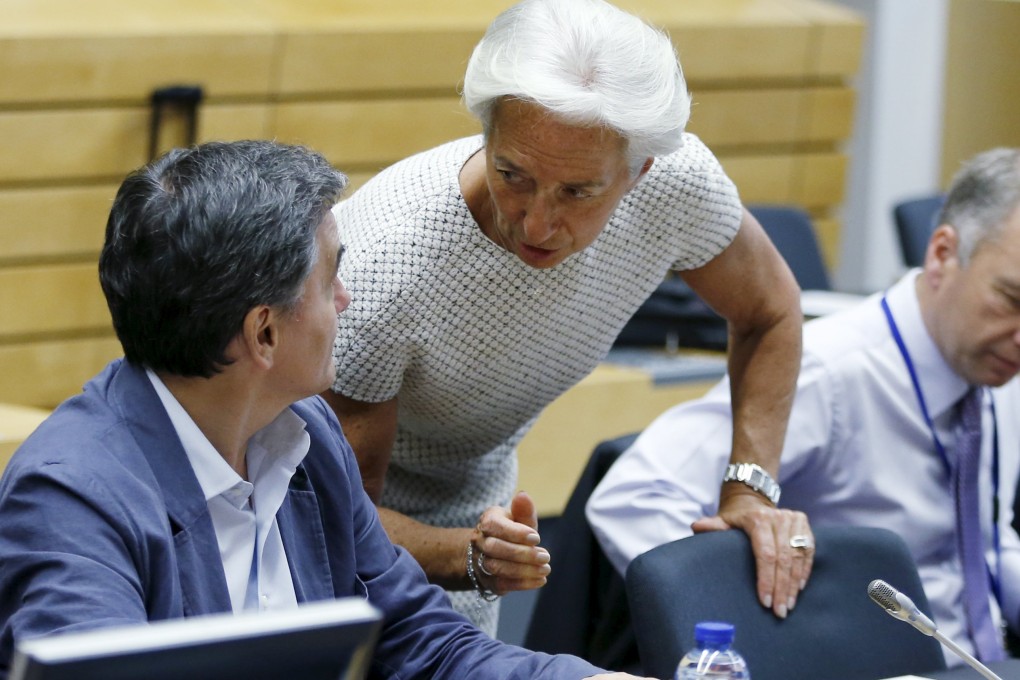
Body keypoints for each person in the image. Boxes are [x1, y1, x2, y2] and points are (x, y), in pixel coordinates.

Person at [0, 140, 650, 680]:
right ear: (264, 334)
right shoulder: (71, 497)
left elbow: (424, 646)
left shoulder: (307, 439)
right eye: (329, 279)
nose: (344, 299)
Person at [323, 0, 807, 633]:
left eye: (577, 192)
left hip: (482, 497)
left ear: (642, 173)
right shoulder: (389, 264)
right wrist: (465, 553)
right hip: (337, 522)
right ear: (487, 137)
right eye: (512, 174)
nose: (536, 222)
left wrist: (748, 488)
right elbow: (338, 519)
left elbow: (771, 311)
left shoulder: (677, 185)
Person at [586, 147, 1020, 666]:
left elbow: (986, 546)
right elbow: (633, 495)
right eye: (1012, 299)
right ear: (943, 254)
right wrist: (753, 644)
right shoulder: (830, 371)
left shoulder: (990, 368)